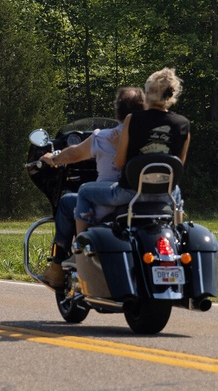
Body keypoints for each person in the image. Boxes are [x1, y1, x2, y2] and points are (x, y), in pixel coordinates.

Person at [39, 86, 144, 288]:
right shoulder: (148, 138)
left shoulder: (104, 136)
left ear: (118, 111)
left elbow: (74, 154)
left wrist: (52, 159)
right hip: (140, 201)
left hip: (107, 203)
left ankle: (60, 265)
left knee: (67, 200)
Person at [73, 67, 190, 234]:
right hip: (165, 195)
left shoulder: (133, 119)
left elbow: (119, 163)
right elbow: (178, 166)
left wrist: (116, 145)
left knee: (84, 191)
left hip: (130, 193)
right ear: (172, 95)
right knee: (176, 190)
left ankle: (80, 244)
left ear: (147, 93)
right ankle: (175, 232)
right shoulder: (183, 124)